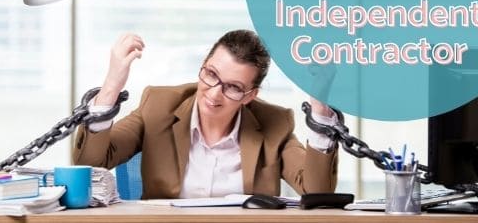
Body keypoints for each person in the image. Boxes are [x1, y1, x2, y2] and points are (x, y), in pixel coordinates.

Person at [73, 30, 341, 199]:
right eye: (211, 75)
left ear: (250, 96)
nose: (214, 94)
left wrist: (320, 105)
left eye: (233, 87)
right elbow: (90, 161)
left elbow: (318, 191)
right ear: (203, 66)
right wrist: (111, 87)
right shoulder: (158, 105)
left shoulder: (274, 124)